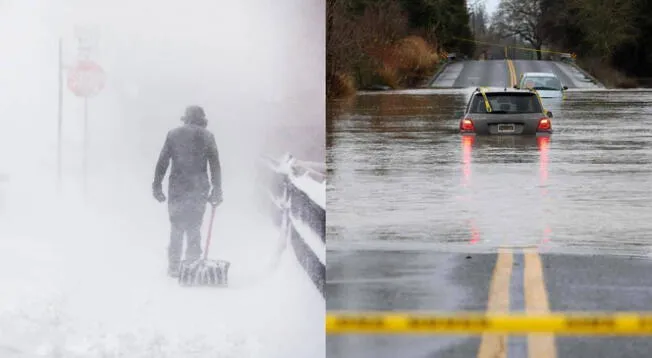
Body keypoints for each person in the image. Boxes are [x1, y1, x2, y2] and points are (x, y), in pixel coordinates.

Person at [152, 105, 223, 278]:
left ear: (186, 118)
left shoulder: (173, 135)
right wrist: (217, 189)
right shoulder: (208, 137)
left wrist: (157, 186)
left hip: (178, 187)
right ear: (202, 120)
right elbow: (215, 165)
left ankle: (174, 265)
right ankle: (191, 264)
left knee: (176, 225)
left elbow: (162, 162)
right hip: (198, 188)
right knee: (194, 225)